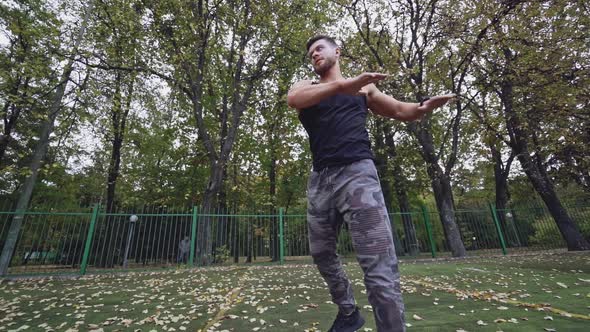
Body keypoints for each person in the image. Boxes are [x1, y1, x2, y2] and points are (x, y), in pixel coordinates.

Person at [287, 35, 455, 332]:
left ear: (337, 52)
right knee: (322, 254)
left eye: (320, 48)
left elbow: (401, 111)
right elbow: (293, 100)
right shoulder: (307, 86)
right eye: (310, 51)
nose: (314, 53)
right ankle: (349, 312)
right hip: (320, 181)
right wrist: (344, 86)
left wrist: (424, 107)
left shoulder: (365, 88)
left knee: (378, 268)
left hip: (358, 176)